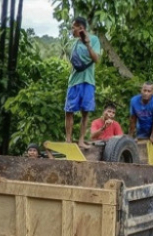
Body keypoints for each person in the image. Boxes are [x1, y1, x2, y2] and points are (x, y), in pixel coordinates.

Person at [63, 17, 101, 148]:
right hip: (74, 81)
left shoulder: (94, 40)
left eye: (74, 27)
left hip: (88, 81)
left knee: (85, 112)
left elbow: (96, 59)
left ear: (81, 28)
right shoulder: (74, 44)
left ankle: (80, 140)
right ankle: (68, 140)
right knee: (69, 111)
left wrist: (88, 44)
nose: (72, 29)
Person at [128, 82, 153, 150]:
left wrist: (152, 136)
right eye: (144, 90)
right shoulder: (134, 100)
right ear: (141, 90)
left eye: (149, 91)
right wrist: (130, 135)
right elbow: (133, 119)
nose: (146, 93)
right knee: (140, 144)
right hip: (142, 123)